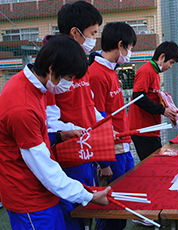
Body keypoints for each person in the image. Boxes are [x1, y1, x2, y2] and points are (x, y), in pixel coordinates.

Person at [0, 35, 111, 230]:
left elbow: (33, 138)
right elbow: (43, 166)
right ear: (51, 69)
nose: (70, 84)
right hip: (29, 198)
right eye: (69, 78)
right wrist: (88, 196)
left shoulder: (36, 86)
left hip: (42, 191)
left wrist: (59, 135)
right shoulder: (22, 107)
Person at [44, 2, 110, 229]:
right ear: (75, 32)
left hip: (86, 146)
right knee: (72, 210)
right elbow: (50, 119)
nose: (95, 40)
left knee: (86, 208)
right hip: (68, 150)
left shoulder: (80, 63)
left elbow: (88, 104)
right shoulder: (54, 66)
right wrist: (72, 131)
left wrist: (103, 125)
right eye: (93, 33)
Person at [88, 21, 137, 230]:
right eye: (131, 47)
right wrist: (104, 161)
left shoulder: (111, 69)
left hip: (123, 146)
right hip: (112, 151)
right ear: (120, 45)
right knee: (111, 210)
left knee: (123, 206)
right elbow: (95, 121)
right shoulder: (96, 74)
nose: (130, 52)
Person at [128, 41, 178, 161]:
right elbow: (138, 98)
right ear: (162, 57)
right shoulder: (146, 70)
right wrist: (163, 110)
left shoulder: (155, 72)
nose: (170, 66)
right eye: (171, 62)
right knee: (153, 164)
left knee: (157, 161)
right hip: (143, 129)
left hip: (151, 128)